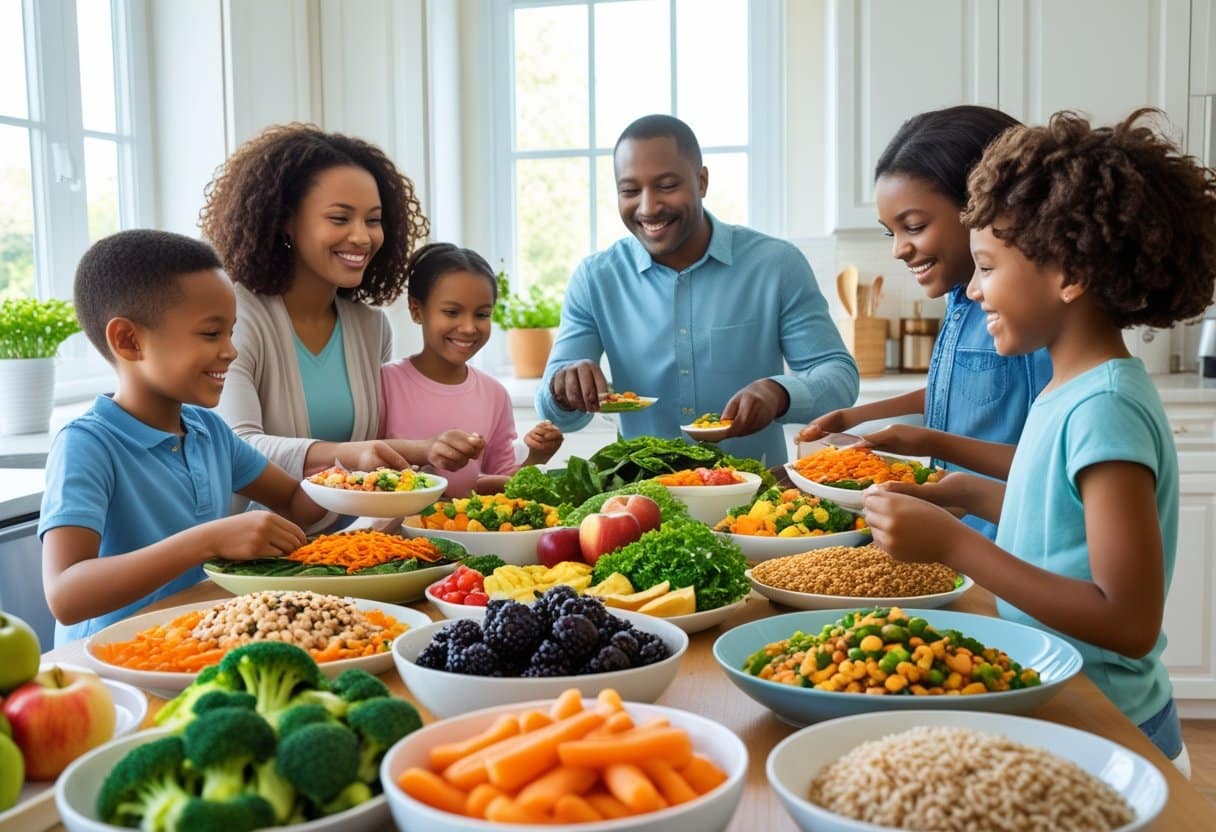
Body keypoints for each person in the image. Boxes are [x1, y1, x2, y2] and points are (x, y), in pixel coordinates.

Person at [862, 109, 1216, 769]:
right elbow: (1067, 531)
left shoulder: (1104, 408)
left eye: (989, 266)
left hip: (1113, 732)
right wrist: (972, 494)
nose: (973, 287)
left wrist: (955, 544)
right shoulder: (1068, 389)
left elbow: (1128, 621)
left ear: (1069, 274)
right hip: (1064, 701)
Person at [39, 230, 327, 646]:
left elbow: (298, 503)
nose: (231, 351)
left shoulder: (208, 430)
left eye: (231, 333)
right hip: (110, 665)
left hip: (195, 646)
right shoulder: (87, 444)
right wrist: (208, 540)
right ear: (129, 340)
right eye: (211, 334)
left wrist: (360, 482)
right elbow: (66, 595)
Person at [535, 114, 859, 466]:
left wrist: (781, 392)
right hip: (642, 501)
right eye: (630, 191)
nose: (647, 207)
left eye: (667, 185)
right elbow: (559, 415)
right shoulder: (596, 278)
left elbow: (838, 376)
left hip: (760, 503)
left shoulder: (776, 265)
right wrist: (564, 387)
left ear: (701, 182)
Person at [798, 105, 1052, 537]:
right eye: (889, 232)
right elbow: (962, 386)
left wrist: (925, 440)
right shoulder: (963, 300)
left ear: (982, 208)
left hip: (1003, 540)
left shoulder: (1023, 316)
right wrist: (856, 417)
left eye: (913, 226)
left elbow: (1049, 461)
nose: (898, 249)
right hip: (955, 532)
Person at [201, 124, 483, 486]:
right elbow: (237, 447)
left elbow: (374, 452)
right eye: (339, 218)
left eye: (373, 220)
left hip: (350, 538)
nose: (362, 237)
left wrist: (428, 450)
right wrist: (355, 454)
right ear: (286, 221)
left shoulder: (371, 327)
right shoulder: (237, 317)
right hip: (256, 536)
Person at [380, 243, 564, 497]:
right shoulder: (384, 384)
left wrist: (537, 457)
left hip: (464, 533)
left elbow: (504, 489)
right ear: (416, 310)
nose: (468, 327)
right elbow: (361, 469)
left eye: (481, 314)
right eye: (452, 312)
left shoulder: (494, 394)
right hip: (388, 535)